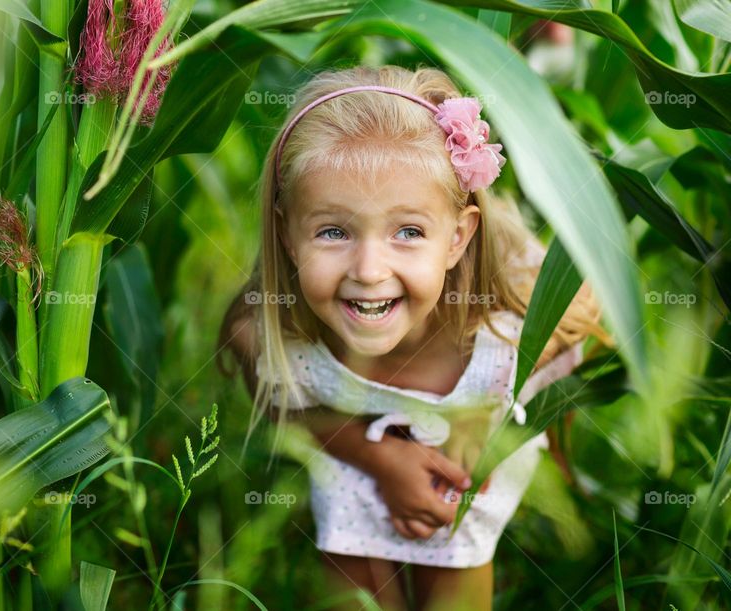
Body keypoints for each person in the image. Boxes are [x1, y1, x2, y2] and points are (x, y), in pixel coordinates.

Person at [217, 65, 612, 610]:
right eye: (333, 231)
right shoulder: (269, 336)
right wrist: (376, 458)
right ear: (287, 235)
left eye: (408, 232)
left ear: (457, 239)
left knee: (450, 566)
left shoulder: (505, 335)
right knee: (352, 582)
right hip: (352, 456)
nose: (370, 269)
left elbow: (588, 300)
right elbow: (292, 410)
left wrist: (485, 415)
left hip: (463, 473)